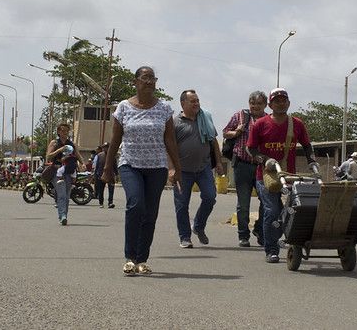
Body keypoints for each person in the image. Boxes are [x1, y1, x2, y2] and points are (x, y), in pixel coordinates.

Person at [101, 66, 182, 276]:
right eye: (145, 78)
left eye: (152, 78)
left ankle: (142, 260)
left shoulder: (164, 108)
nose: (149, 82)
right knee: (136, 204)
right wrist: (108, 168)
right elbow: (115, 140)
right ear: (135, 82)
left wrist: (177, 168)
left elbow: (170, 140)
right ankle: (129, 257)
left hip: (156, 167)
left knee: (150, 213)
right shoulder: (123, 107)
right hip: (130, 164)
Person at [246, 88, 317, 264]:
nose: (281, 103)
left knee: (293, 210)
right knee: (272, 210)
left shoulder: (297, 124)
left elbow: (307, 145)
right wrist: (264, 159)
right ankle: (271, 249)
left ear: (289, 103)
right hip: (267, 176)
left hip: (289, 176)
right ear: (270, 105)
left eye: (284, 100)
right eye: (277, 100)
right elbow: (251, 148)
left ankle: (285, 238)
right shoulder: (260, 124)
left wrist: (312, 161)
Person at [172, 89, 223, 248]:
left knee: (210, 197)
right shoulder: (176, 122)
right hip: (182, 172)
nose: (196, 104)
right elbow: (169, 147)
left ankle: (199, 226)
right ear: (183, 103)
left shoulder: (205, 119)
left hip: (203, 169)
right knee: (182, 205)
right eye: (192, 101)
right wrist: (171, 169)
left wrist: (219, 163)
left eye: (197, 101)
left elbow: (213, 142)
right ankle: (185, 237)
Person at [222, 90, 267, 247]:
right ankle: (243, 235)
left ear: (265, 105)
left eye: (259, 103)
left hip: (262, 166)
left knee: (266, 201)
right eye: (252, 103)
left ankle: (260, 230)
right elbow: (225, 132)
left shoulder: (269, 120)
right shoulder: (240, 116)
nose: (255, 106)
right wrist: (237, 131)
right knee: (243, 204)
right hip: (242, 165)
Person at [46, 123, 81, 226]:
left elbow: (78, 155)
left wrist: (82, 164)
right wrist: (59, 150)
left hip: (69, 172)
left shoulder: (72, 144)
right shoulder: (54, 143)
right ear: (58, 131)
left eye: (66, 130)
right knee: (61, 195)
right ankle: (62, 216)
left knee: (66, 196)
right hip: (57, 172)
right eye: (62, 130)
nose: (64, 132)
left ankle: (64, 215)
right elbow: (48, 156)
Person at [92, 143, 115, 208]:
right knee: (101, 190)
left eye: (107, 147)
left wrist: (116, 174)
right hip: (101, 175)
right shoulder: (99, 155)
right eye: (104, 147)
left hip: (110, 175)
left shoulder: (112, 155)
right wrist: (95, 174)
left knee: (111, 190)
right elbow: (97, 166)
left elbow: (114, 165)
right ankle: (101, 203)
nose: (105, 148)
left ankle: (110, 203)